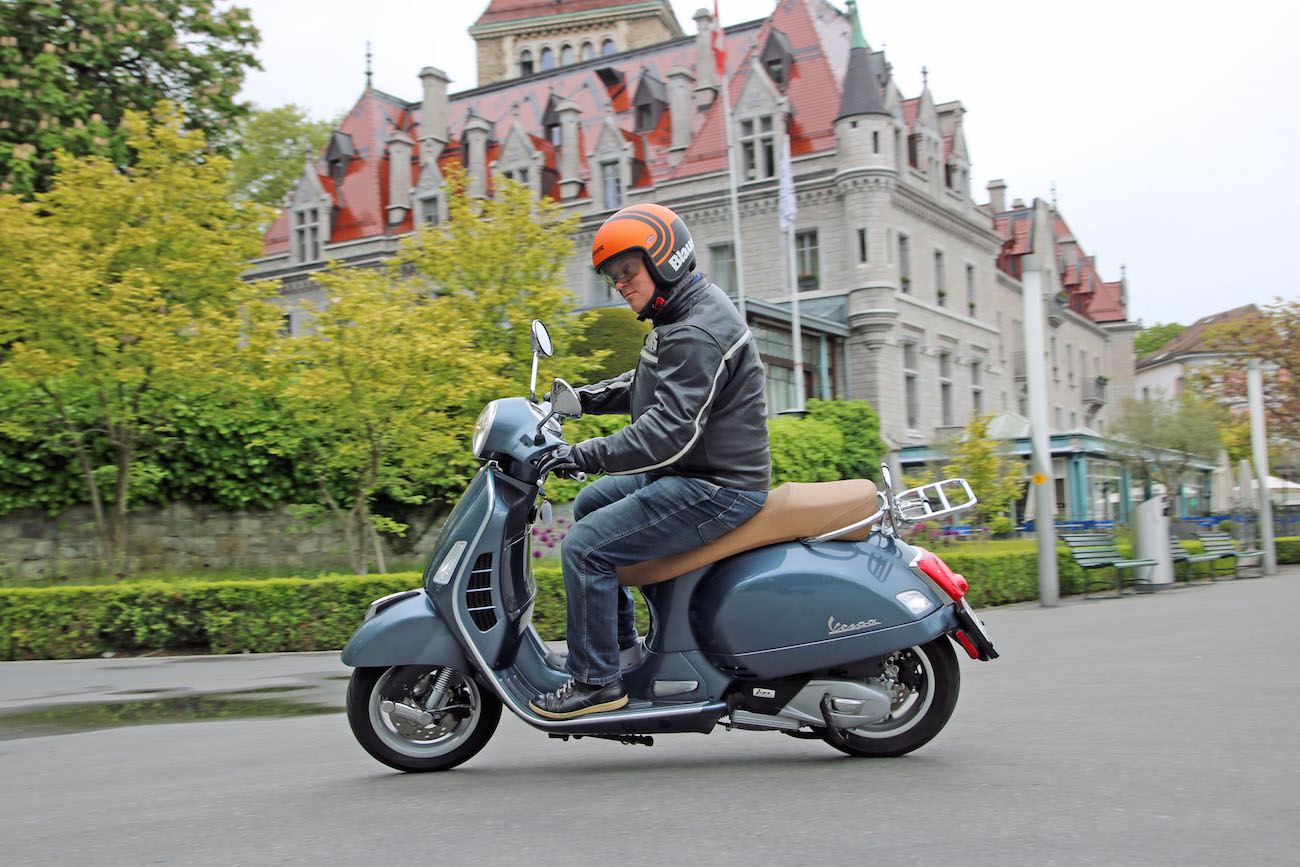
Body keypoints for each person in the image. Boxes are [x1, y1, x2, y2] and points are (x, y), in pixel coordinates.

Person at [529, 203, 771, 719]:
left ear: (663, 257)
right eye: (614, 277)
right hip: (697, 472)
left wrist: (581, 455)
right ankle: (615, 649)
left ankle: (596, 683)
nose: (620, 284)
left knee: (584, 547)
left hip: (716, 487)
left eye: (627, 271)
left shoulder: (693, 330)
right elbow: (650, 387)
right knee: (593, 505)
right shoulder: (682, 311)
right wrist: (582, 401)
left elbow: (667, 434)